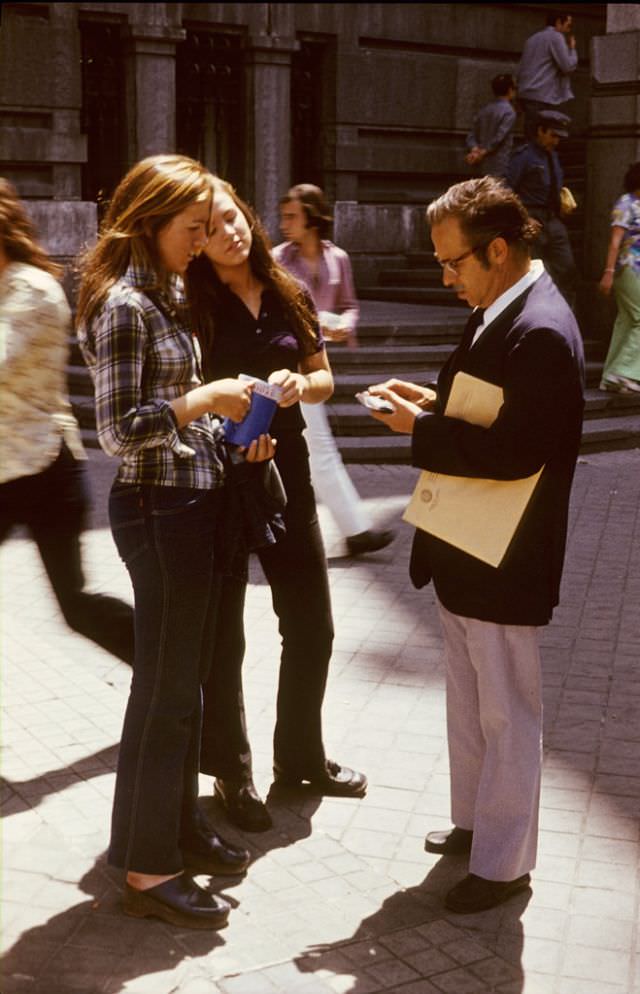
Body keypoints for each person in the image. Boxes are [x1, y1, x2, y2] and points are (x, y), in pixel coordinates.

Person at [366, 176, 584, 914]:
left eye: (452, 262)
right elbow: (491, 408)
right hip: (467, 546)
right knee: (469, 703)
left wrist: (419, 433)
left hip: (504, 556)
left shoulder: (543, 328)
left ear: (497, 249)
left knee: (506, 712)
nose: (445, 276)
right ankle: (474, 825)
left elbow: (519, 450)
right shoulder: (504, 308)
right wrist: (431, 404)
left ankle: (504, 865)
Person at [76, 154, 273, 929]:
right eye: (193, 228)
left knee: (183, 690)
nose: (205, 240)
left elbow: (172, 420)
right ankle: (149, 869)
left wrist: (233, 429)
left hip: (188, 502)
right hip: (158, 513)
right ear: (151, 222)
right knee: (164, 695)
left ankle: (175, 829)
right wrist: (205, 399)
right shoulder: (125, 305)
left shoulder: (164, 292)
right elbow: (119, 432)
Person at [186, 176, 367, 833]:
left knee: (312, 624)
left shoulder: (288, 289)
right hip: (224, 477)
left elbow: (325, 376)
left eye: (231, 218)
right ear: (196, 245)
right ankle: (234, 775)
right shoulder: (195, 305)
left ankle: (300, 760)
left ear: (248, 217)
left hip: (287, 472)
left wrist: (298, 385)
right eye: (207, 229)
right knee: (224, 636)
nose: (227, 234)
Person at [0, 178, 134, 664]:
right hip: (6, 469)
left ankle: (173, 675)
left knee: (76, 606)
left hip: (43, 472)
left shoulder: (31, 291)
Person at [274, 184, 394, 556]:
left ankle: (254, 526)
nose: (284, 224)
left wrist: (345, 323)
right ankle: (355, 529)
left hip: (314, 365)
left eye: (292, 216)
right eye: (283, 217)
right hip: (286, 368)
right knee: (320, 450)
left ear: (312, 217)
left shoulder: (338, 258)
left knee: (289, 449)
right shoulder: (276, 259)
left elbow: (350, 304)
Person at [506, 109, 577, 304]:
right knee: (533, 271)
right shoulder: (523, 156)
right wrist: (523, 218)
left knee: (566, 266)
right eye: (553, 135)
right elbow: (506, 190)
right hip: (530, 217)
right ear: (540, 131)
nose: (556, 141)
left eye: (559, 137)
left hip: (552, 219)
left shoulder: (552, 156)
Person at [597, 161, 640, 394]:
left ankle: (609, 377)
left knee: (626, 321)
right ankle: (624, 372)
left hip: (636, 270)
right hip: (628, 268)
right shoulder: (626, 203)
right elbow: (615, 241)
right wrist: (609, 272)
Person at [516, 11, 577, 140]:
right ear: (558, 22)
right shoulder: (556, 36)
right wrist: (572, 49)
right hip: (542, 96)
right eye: (568, 25)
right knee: (542, 140)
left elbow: (521, 68)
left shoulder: (532, 39)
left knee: (531, 137)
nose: (568, 30)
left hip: (527, 95)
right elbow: (567, 66)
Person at [465, 74, 517, 179]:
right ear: (510, 90)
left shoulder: (485, 110)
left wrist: (475, 151)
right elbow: (499, 137)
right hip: (499, 164)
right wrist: (483, 152)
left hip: (480, 165)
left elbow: (471, 135)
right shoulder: (509, 112)